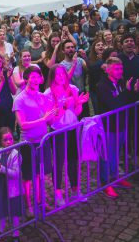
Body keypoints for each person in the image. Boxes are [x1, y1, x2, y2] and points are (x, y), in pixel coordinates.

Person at [12, 66, 55, 216]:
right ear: (26, 79)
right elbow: (22, 125)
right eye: (33, 77)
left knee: (40, 174)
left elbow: (50, 118)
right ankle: (28, 205)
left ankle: (39, 201)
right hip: (28, 143)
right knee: (28, 176)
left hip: (43, 141)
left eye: (38, 76)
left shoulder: (42, 96)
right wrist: (42, 119)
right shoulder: (19, 99)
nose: (36, 80)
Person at [44, 65, 88, 206]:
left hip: (72, 128)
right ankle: (57, 192)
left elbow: (76, 112)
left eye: (63, 73)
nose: (61, 76)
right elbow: (50, 120)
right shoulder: (48, 93)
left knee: (73, 160)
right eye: (57, 74)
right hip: (58, 131)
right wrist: (62, 107)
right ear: (52, 76)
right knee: (58, 162)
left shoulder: (72, 89)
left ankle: (75, 189)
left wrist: (79, 103)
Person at [97, 57, 139, 198]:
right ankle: (105, 183)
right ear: (108, 69)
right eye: (116, 69)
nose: (120, 71)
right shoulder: (102, 85)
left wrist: (134, 91)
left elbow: (128, 102)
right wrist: (127, 92)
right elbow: (113, 104)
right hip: (108, 125)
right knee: (106, 155)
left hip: (121, 123)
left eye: (121, 68)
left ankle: (115, 177)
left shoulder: (121, 82)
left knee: (116, 153)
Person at [0, 127, 23, 242]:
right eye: (5, 140)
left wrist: (1, 169)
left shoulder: (16, 154)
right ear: (0, 141)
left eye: (10, 139)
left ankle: (15, 233)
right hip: (1, 188)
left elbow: (15, 173)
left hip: (12, 189)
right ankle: (0, 231)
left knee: (13, 212)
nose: (9, 142)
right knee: (2, 210)